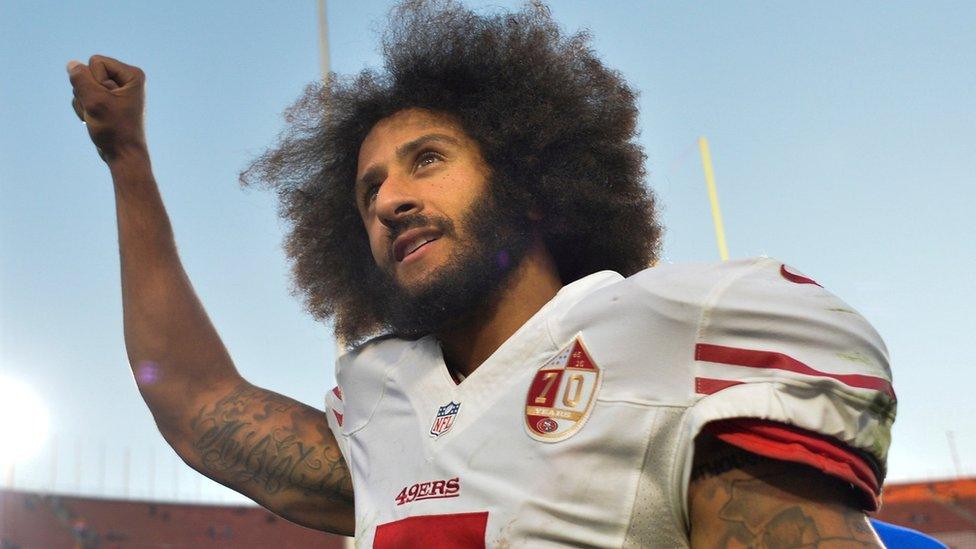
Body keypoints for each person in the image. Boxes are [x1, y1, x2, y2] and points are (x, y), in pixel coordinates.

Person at [67, 1, 895, 546]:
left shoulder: (680, 328)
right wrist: (126, 158)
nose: (391, 198)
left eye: (428, 160)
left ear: (528, 181)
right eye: (370, 190)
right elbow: (196, 401)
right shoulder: (382, 394)